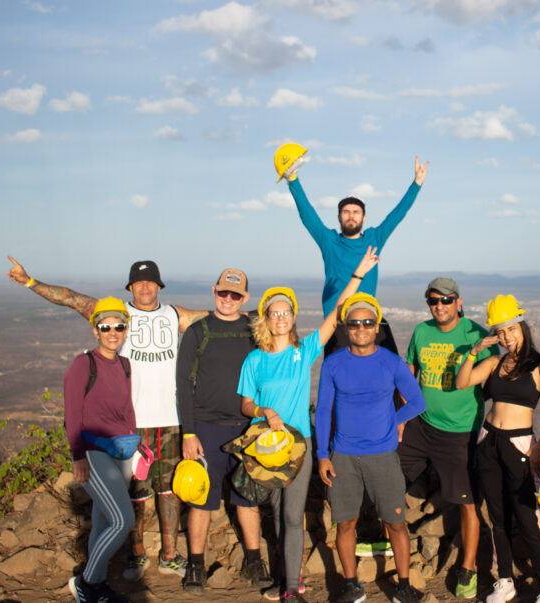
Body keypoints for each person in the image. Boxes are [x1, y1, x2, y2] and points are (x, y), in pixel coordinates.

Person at [7, 256, 205, 581]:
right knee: (136, 492)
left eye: (150, 281)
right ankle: (136, 554)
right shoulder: (115, 314)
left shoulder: (174, 315)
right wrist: (30, 282)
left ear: (159, 285)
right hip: (130, 424)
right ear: (130, 287)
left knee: (169, 490)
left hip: (170, 418)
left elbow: (218, 317)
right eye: (138, 282)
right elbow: (71, 299)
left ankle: (170, 555)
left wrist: (263, 313)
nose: (144, 287)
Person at [237, 248, 380, 603]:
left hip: (297, 445)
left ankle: (291, 587)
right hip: (266, 448)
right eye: (275, 312)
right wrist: (266, 411)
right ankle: (287, 577)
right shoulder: (254, 359)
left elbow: (336, 315)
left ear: (293, 317)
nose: (281, 317)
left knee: (290, 515)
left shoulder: (304, 351)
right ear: (266, 318)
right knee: (275, 514)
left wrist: (358, 275)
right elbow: (245, 404)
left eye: (286, 312)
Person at [315, 293, 427, 603]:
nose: (361, 327)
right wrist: (322, 455)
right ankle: (352, 584)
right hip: (344, 456)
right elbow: (323, 410)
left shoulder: (391, 362)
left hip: (383, 456)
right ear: (346, 328)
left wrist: (391, 421)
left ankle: (404, 586)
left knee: (395, 522)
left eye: (367, 322)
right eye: (354, 323)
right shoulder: (334, 363)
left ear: (377, 327)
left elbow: (417, 402)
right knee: (345, 523)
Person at [455, 295, 540, 603]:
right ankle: (505, 581)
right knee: (497, 517)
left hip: (520, 444)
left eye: (511, 329)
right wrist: (473, 352)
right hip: (489, 441)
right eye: (500, 332)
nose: (506, 337)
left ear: (523, 327)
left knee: (528, 517)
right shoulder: (493, 362)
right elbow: (463, 382)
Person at [174, 268, 273, 593]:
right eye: (223, 293)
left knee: (248, 498)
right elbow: (183, 385)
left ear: (245, 298)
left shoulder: (254, 330)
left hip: (246, 429)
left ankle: (254, 561)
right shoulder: (198, 331)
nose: (228, 300)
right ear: (213, 291)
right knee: (201, 499)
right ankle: (195, 565)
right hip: (206, 428)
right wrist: (189, 433)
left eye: (235, 295)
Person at [398, 277, 497, 600]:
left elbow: (497, 377)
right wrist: (401, 417)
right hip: (421, 424)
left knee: (467, 503)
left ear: (458, 301)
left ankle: (467, 569)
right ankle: (395, 541)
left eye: (446, 299)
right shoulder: (422, 332)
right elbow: (409, 372)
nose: (439, 306)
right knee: (386, 473)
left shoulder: (477, 335)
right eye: (433, 300)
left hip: (459, 431)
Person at [282, 152, 428, 356]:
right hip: (338, 321)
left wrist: (417, 184)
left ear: (364, 217)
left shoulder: (374, 238)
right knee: (338, 374)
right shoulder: (329, 241)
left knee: (392, 366)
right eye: (346, 212)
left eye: (356, 212)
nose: (351, 215)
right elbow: (308, 214)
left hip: (368, 317)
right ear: (339, 217)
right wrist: (293, 180)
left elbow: (397, 214)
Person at [64, 297, 136, 603]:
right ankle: (86, 581)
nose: (112, 332)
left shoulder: (124, 364)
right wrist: (78, 455)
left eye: (119, 326)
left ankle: (99, 587)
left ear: (125, 330)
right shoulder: (84, 364)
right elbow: (72, 413)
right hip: (93, 451)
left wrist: (136, 441)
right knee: (123, 520)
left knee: (105, 520)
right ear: (96, 330)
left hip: (122, 450)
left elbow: (126, 408)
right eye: (105, 326)